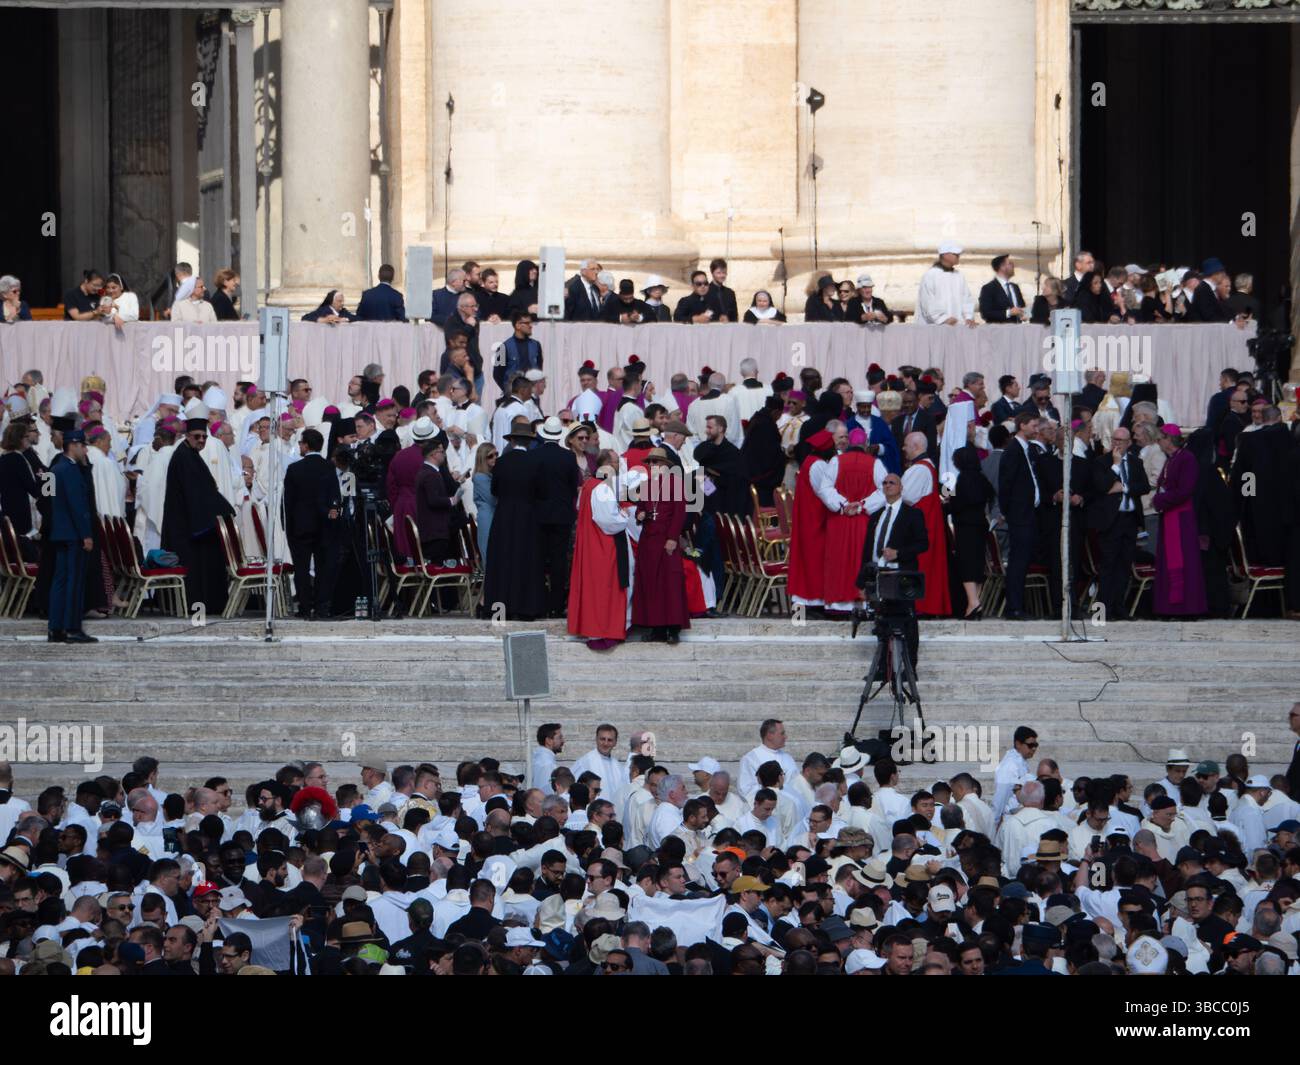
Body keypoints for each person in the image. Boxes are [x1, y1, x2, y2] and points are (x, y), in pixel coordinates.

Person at [162, 412, 236, 616]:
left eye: (204, 436)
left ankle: (208, 606)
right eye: (197, 436)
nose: (201, 440)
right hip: (189, 527)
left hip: (194, 522)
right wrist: (224, 510)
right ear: (187, 436)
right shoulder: (184, 457)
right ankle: (200, 611)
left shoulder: (190, 455)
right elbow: (198, 493)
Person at [858, 473, 927, 665]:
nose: (888, 486)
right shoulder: (876, 516)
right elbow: (867, 550)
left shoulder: (912, 514)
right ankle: (881, 667)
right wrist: (862, 581)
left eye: (892, 483)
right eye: (885, 483)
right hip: (878, 575)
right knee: (880, 623)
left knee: (907, 621)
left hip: (900, 575)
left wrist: (898, 553)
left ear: (901, 487)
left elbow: (923, 544)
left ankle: (910, 667)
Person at [568, 452, 633, 651]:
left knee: (593, 588)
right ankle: (605, 630)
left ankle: (592, 628)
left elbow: (581, 506)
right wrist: (624, 515)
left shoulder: (588, 485)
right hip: (604, 545)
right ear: (607, 465)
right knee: (607, 588)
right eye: (615, 463)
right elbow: (609, 521)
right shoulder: (602, 488)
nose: (618, 466)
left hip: (590, 543)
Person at [483, 423, 545, 620]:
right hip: (528, 516)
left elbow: (495, 489)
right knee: (526, 561)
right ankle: (526, 609)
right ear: (529, 442)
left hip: (505, 516)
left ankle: (500, 611)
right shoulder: (535, 462)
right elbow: (540, 491)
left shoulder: (502, 462)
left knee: (503, 561)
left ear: (512, 440)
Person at [1086, 425, 1148, 621]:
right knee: (1108, 566)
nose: (1116, 444)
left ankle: (1120, 608)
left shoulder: (1136, 462)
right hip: (1110, 521)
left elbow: (1144, 486)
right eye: (1114, 439)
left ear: (1129, 443)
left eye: (1121, 441)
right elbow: (1102, 486)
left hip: (1129, 519)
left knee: (1124, 566)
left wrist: (1124, 487)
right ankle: (1104, 610)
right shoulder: (1101, 462)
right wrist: (1114, 465)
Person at [283, 428, 343, 620]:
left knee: (301, 568)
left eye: (301, 443)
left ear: (306, 445)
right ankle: (321, 607)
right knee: (323, 567)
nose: (299, 446)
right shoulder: (329, 467)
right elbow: (335, 496)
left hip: (300, 527)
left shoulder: (294, 469)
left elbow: (288, 502)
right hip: (324, 525)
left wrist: (287, 526)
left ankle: (304, 607)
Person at [631, 449, 689, 644]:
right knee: (651, 584)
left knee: (669, 585)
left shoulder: (675, 483)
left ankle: (673, 629)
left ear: (665, 465)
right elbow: (641, 508)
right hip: (649, 540)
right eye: (651, 463)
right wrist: (639, 515)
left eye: (656, 462)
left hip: (666, 539)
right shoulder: (647, 485)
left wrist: (673, 538)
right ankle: (656, 628)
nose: (653, 466)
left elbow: (679, 512)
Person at [47, 429, 97, 644]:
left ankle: (55, 627)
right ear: (73, 445)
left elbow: (48, 500)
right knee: (74, 582)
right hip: (75, 534)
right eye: (83, 445)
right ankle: (72, 627)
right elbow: (78, 506)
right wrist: (86, 534)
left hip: (59, 532)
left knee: (60, 581)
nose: (85, 450)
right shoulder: (71, 470)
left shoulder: (56, 469)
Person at [1151, 426, 1207, 617]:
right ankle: (1169, 607)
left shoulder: (1186, 458)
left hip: (1181, 518)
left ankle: (1187, 607)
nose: (1158, 442)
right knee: (1169, 561)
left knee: (1184, 561)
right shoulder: (1171, 460)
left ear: (1169, 439)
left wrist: (1160, 500)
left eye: (1160, 438)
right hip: (1169, 516)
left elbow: (1185, 490)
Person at [533, 417, 583, 618]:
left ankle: (540, 601)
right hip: (562, 514)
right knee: (558, 561)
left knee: (538, 559)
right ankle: (556, 604)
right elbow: (573, 487)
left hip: (540, 514)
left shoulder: (534, 456)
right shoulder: (568, 457)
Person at [787, 430, 836, 612]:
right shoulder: (818, 466)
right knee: (814, 562)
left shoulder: (809, 462)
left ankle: (805, 605)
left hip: (807, 517)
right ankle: (813, 603)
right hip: (815, 520)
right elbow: (824, 493)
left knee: (806, 562)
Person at [947, 445, 994, 620]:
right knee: (977, 562)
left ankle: (973, 602)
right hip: (980, 525)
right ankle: (975, 601)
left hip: (965, 527)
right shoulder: (981, 478)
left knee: (966, 563)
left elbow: (954, 504)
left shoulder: (959, 479)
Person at [916, 242, 975, 326]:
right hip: (936, 327)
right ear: (945, 255)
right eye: (955, 254)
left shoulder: (959, 275)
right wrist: (943, 319)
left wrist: (968, 317)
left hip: (958, 326)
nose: (958, 256)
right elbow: (928, 301)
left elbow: (967, 298)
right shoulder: (931, 275)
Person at [978, 255, 1026, 323]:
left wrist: (1028, 313)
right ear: (1002, 267)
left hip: (1017, 330)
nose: (1013, 266)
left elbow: (1022, 307)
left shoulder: (1015, 287)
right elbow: (985, 313)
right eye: (1010, 263)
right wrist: (1009, 313)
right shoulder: (988, 288)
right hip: (999, 331)